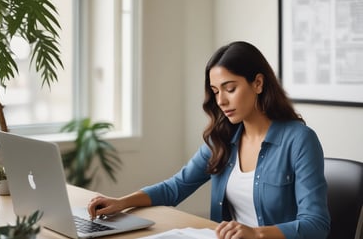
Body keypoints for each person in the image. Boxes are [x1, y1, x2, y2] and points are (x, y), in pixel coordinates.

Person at [88, 41, 330, 239]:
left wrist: (256, 234)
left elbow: (316, 224)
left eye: (230, 88)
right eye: (215, 92)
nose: (221, 101)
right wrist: (121, 202)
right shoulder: (223, 139)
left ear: (257, 83)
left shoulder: (299, 140)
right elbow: (175, 188)